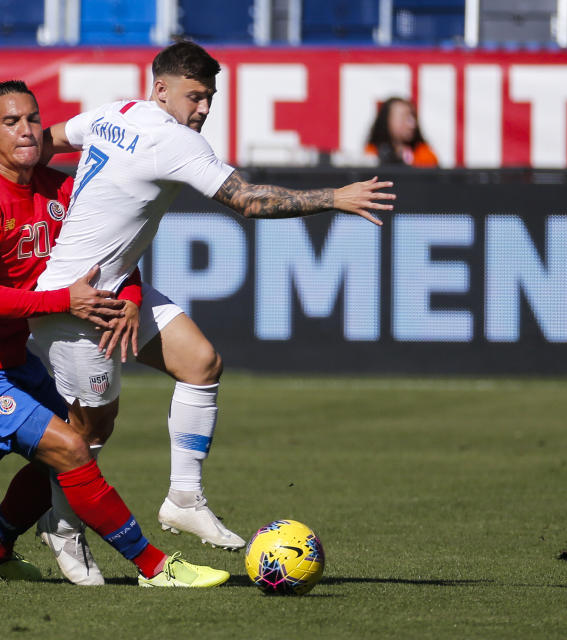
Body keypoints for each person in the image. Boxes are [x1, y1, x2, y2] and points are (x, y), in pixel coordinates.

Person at [30, 40, 395, 584]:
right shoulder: (173, 141)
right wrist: (335, 198)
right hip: (74, 304)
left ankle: (184, 496)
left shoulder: (114, 112)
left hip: (112, 291)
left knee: (200, 362)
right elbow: (247, 201)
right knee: (86, 435)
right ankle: (60, 526)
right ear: (161, 89)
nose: (202, 109)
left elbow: (48, 140)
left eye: (209, 98)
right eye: (194, 96)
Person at [0, 79, 229, 588]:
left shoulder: (60, 188)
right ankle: (153, 566)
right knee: (71, 450)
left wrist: (128, 299)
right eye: (10, 122)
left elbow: (113, 254)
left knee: (80, 437)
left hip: (17, 359)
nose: (26, 130)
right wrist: (68, 300)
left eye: (33, 119)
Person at [364, 97, 438, 167]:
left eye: (413, 117)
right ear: (386, 120)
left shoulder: (425, 155)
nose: (412, 124)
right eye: (403, 117)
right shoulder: (371, 154)